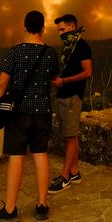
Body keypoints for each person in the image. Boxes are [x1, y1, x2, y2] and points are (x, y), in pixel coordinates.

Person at [0, 11, 59, 222]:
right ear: (43, 28)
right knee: (41, 156)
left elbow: (2, 82)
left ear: (24, 27)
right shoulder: (51, 53)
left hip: (18, 113)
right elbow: (54, 79)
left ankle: (10, 209)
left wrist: (3, 105)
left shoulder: (15, 52)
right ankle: (42, 205)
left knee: (16, 158)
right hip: (42, 112)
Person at [48, 14, 92, 194]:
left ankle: (65, 176)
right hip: (63, 94)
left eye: (63, 29)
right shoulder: (69, 47)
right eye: (59, 30)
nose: (60, 33)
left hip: (72, 95)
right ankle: (74, 172)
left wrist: (64, 81)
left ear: (73, 26)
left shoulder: (81, 46)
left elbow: (87, 72)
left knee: (70, 136)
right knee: (70, 136)